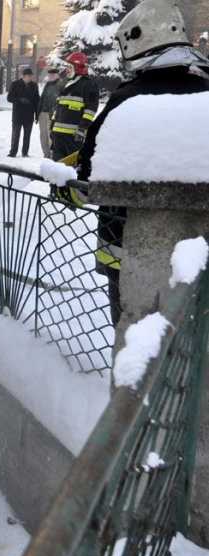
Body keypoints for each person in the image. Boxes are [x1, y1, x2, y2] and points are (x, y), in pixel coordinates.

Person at [71, 0, 209, 325]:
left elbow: (88, 174)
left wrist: (69, 187)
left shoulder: (126, 99)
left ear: (135, 43)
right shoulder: (205, 91)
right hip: (199, 254)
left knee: (133, 333)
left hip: (124, 247)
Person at [50, 52, 99, 161]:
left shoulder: (88, 86)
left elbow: (90, 111)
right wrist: (52, 125)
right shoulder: (66, 84)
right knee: (57, 167)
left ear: (78, 67)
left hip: (73, 137)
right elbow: (57, 107)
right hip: (58, 136)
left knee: (72, 169)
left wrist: (82, 128)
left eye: (69, 67)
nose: (66, 70)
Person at [6, 67, 40, 157]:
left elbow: (37, 100)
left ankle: (25, 152)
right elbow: (9, 98)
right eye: (28, 76)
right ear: (23, 76)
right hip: (18, 114)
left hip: (29, 114)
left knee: (27, 135)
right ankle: (13, 151)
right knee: (15, 134)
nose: (30, 78)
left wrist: (37, 114)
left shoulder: (34, 86)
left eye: (31, 76)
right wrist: (20, 100)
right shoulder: (15, 84)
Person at [36, 67, 64, 159]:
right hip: (42, 113)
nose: (50, 76)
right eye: (49, 75)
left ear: (57, 75)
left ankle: (52, 155)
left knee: (50, 135)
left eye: (53, 75)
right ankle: (46, 154)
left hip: (52, 115)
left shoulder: (61, 85)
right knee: (43, 135)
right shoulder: (47, 85)